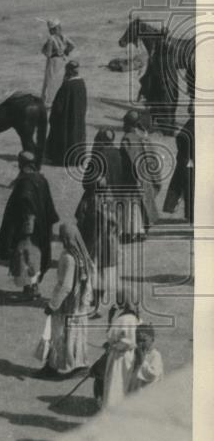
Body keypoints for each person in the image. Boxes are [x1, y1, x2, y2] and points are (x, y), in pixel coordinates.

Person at [0, 151, 59, 298]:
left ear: (21, 164)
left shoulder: (25, 183)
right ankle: (34, 287)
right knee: (35, 257)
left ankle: (29, 291)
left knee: (25, 258)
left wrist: (26, 231)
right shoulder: (41, 179)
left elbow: (27, 208)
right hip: (41, 228)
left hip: (28, 229)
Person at [37, 223, 94, 379]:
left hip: (66, 305)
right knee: (76, 336)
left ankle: (52, 367)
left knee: (58, 334)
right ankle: (79, 364)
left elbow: (66, 286)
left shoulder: (69, 258)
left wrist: (52, 305)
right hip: (79, 305)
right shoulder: (82, 255)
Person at [75, 128, 122, 310]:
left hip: (95, 209)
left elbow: (86, 182)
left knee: (89, 254)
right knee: (106, 257)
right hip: (114, 208)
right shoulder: (118, 154)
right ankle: (100, 297)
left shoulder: (98, 156)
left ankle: (90, 296)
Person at [116, 109, 160, 240]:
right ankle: (141, 232)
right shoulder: (144, 137)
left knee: (130, 208)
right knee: (141, 206)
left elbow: (127, 160)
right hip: (144, 177)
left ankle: (130, 234)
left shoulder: (127, 139)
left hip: (132, 178)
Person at [100, 292, 141, 409]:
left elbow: (111, 336)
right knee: (125, 384)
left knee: (115, 384)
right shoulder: (136, 318)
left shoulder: (123, 319)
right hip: (130, 356)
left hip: (118, 357)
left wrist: (110, 318)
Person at [46, 60, 87, 165]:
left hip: (65, 120)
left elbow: (59, 106)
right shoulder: (81, 83)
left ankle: (61, 159)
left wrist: (53, 117)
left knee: (63, 136)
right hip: (78, 118)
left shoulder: (67, 85)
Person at [162, 113, 194, 222]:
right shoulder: (193, 123)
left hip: (186, 159)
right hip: (188, 160)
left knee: (184, 185)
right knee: (189, 187)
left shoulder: (191, 123)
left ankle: (186, 213)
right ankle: (190, 214)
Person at [40, 20, 75, 108]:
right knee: (61, 80)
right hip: (63, 61)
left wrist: (46, 49)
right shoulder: (64, 37)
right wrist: (65, 51)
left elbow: (48, 54)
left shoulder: (51, 39)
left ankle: (49, 101)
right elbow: (72, 45)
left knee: (51, 81)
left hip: (53, 62)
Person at [128, 323, 163, 394]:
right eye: (137, 341)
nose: (140, 344)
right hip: (136, 390)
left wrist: (142, 361)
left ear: (152, 340)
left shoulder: (155, 355)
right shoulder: (135, 354)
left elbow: (152, 375)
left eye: (143, 340)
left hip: (150, 392)